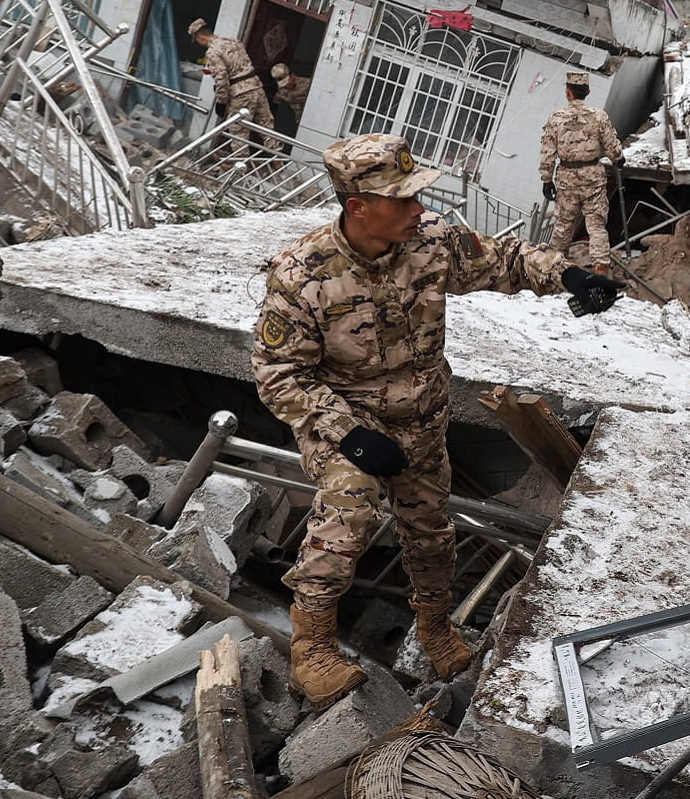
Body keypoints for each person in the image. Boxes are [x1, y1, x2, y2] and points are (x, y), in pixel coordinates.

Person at [252, 133, 624, 706]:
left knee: (430, 530)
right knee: (348, 510)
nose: (418, 209)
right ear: (358, 207)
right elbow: (279, 374)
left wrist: (570, 277)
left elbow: (505, 260)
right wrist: (349, 435)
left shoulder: (432, 242)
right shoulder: (302, 275)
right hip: (346, 423)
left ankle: (432, 626)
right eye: (402, 200)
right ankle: (313, 644)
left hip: (422, 418)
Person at [539, 74, 623, 272]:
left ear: (568, 92)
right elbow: (613, 147)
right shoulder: (599, 116)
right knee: (596, 226)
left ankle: (553, 268)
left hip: (567, 177)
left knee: (563, 224)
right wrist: (618, 159)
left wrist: (546, 179)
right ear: (588, 92)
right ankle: (601, 269)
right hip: (593, 176)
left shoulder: (556, 118)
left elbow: (547, 151)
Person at [190, 18, 277, 151]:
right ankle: (277, 161)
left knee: (239, 133)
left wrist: (222, 102)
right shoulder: (233, 42)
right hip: (256, 87)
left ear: (200, 37)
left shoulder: (213, 52)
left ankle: (240, 168)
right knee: (266, 127)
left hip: (240, 94)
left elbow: (221, 78)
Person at [270, 62, 312, 137]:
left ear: (292, 76)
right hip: (302, 123)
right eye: (283, 85)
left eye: (287, 83)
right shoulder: (281, 93)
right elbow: (276, 101)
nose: (286, 86)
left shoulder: (308, 83)